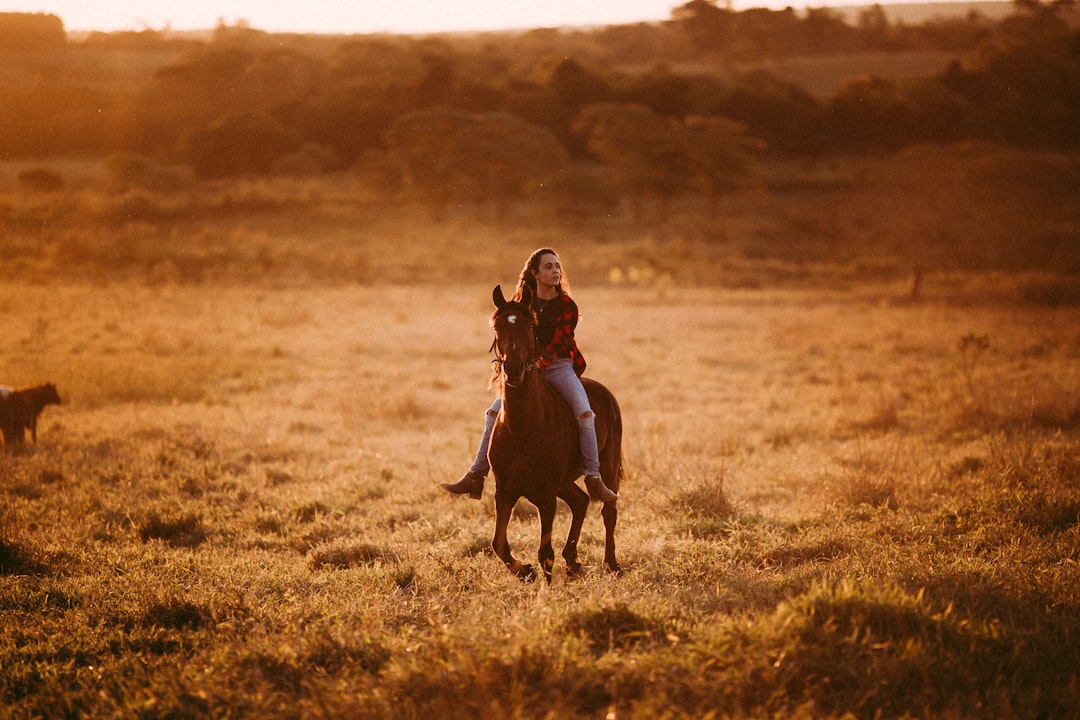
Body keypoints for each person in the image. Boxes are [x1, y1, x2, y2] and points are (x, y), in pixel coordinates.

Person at [441, 248, 618, 503]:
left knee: (584, 412)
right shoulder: (524, 301)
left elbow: (561, 342)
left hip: (558, 367)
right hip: (527, 368)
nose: (556, 271)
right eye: (548, 267)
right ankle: (477, 474)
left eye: (557, 266)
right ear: (534, 273)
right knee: (493, 413)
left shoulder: (567, 305)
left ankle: (593, 477)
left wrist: (536, 363)